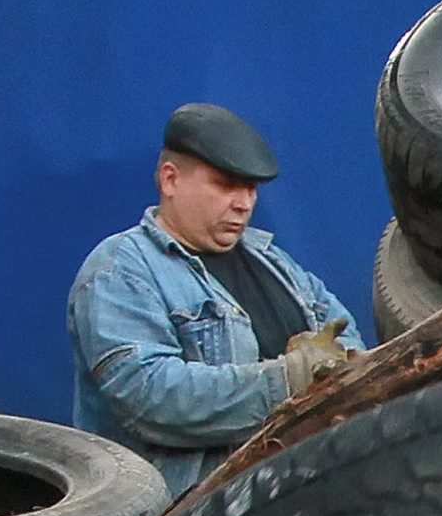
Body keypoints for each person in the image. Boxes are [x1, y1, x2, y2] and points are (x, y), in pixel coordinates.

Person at [66, 102, 362, 487]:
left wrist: (338, 368)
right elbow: (148, 396)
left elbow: (345, 339)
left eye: (251, 188)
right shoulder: (118, 270)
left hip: (297, 493)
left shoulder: (273, 262)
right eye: (226, 185)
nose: (243, 203)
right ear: (170, 180)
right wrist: (287, 382)